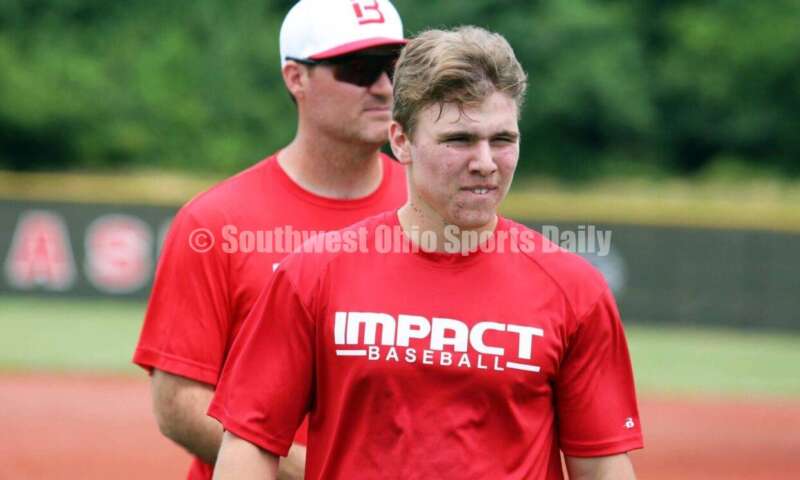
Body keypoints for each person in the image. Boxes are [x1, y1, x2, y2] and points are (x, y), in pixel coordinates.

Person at [209, 26, 644, 480]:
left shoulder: (574, 289)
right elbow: (250, 443)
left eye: (502, 139)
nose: (485, 162)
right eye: (458, 140)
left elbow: (603, 466)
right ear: (400, 141)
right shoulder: (315, 274)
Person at [132, 1, 408, 479]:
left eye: (393, 67)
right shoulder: (214, 222)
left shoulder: (432, 209)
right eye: (359, 69)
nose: (383, 88)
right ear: (295, 78)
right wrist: (320, 470)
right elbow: (178, 404)